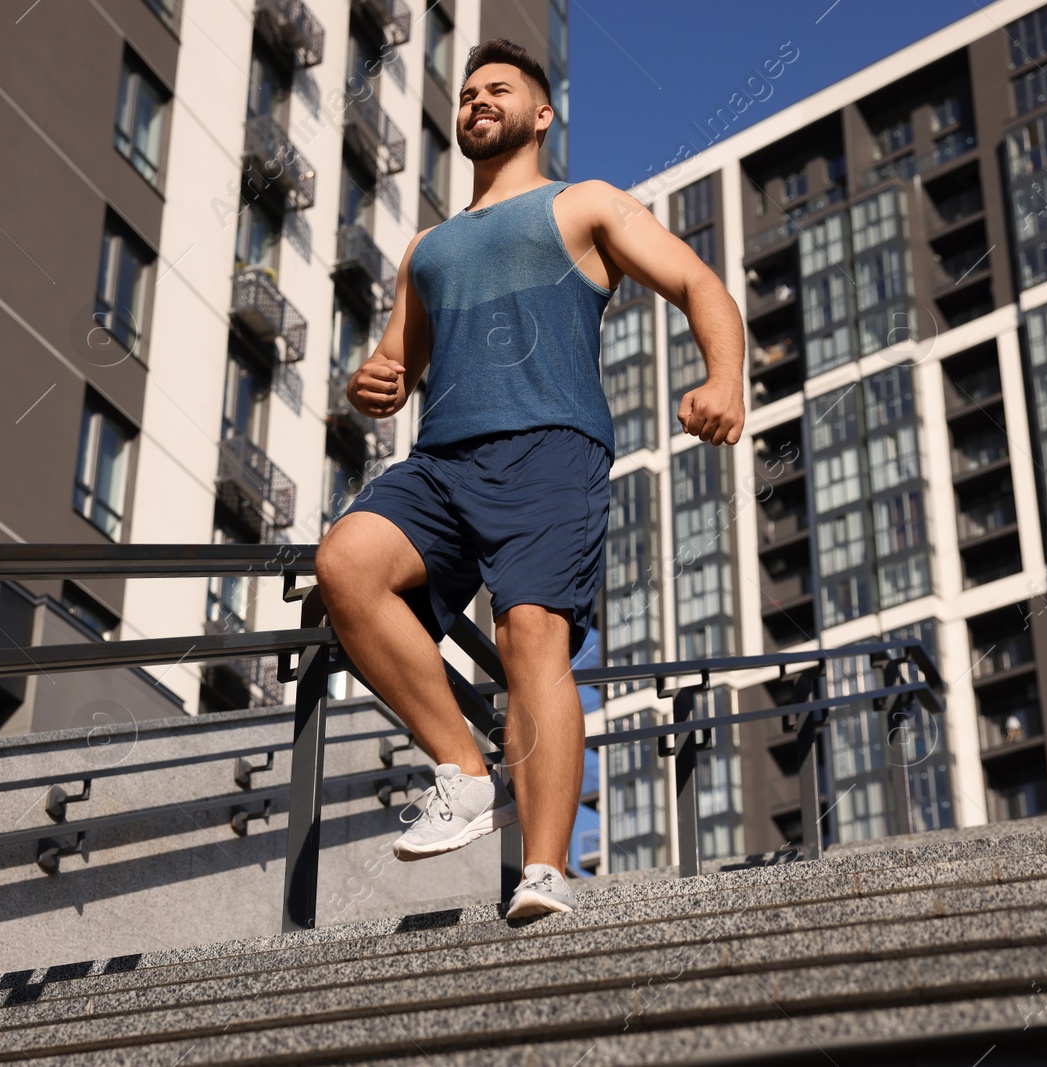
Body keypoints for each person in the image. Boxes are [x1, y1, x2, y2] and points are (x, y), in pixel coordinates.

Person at [314, 38, 746, 919]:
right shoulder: (427, 248)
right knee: (346, 564)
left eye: (496, 89)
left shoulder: (585, 204)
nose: (475, 99)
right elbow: (393, 369)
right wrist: (368, 385)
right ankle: (462, 771)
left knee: (530, 640)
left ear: (540, 115)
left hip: (552, 449)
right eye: (466, 91)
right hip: (439, 462)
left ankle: (544, 868)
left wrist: (725, 377)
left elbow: (699, 283)